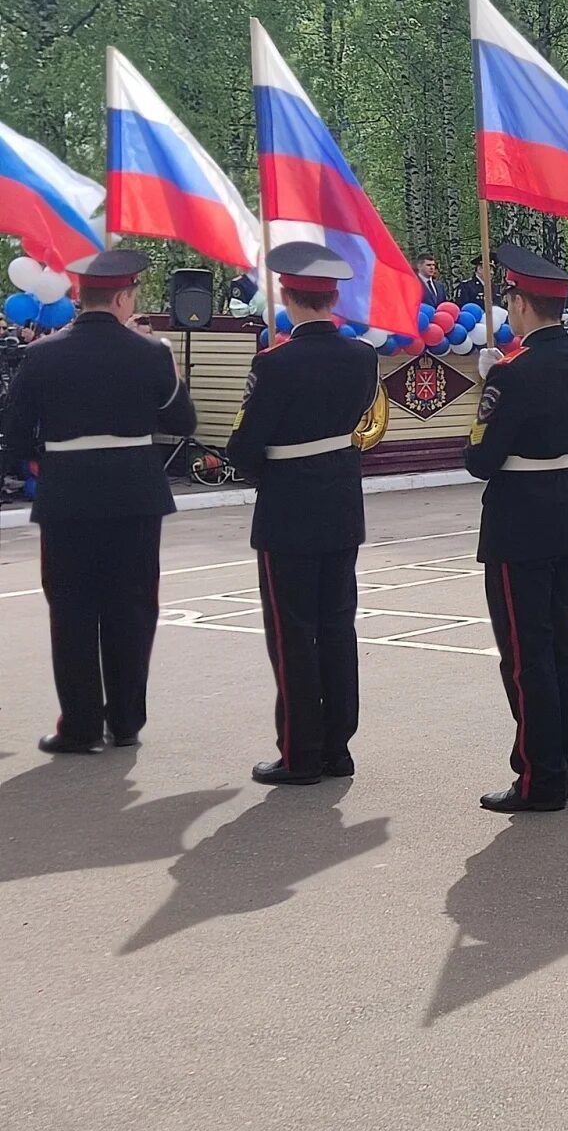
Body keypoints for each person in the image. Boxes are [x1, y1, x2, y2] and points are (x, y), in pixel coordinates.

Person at [2, 249, 198, 753]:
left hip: (68, 496)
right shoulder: (151, 352)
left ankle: (81, 725)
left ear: (77, 296)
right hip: (134, 495)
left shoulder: (43, 354)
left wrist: (50, 458)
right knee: (131, 609)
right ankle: (127, 722)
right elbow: (183, 424)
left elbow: (16, 435)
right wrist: (170, 370)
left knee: (71, 612)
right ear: (123, 296)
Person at [223, 242, 381, 785]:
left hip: (289, 505)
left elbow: (247, 446)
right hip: (339, 499)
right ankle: (337, 746)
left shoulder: (275, 363)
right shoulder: (362, 356)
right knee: (337, 626)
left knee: (292, 632)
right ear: (334, 296)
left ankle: (299, 752)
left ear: (287, 297)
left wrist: (248, 463)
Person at [464, 243, 568, 811]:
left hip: (520, 513)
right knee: (561, 645)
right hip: (567, 506)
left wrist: (488, 390)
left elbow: (480, 459)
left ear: (520, 303)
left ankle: (538, 776)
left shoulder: (514, 371)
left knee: (526, 655)